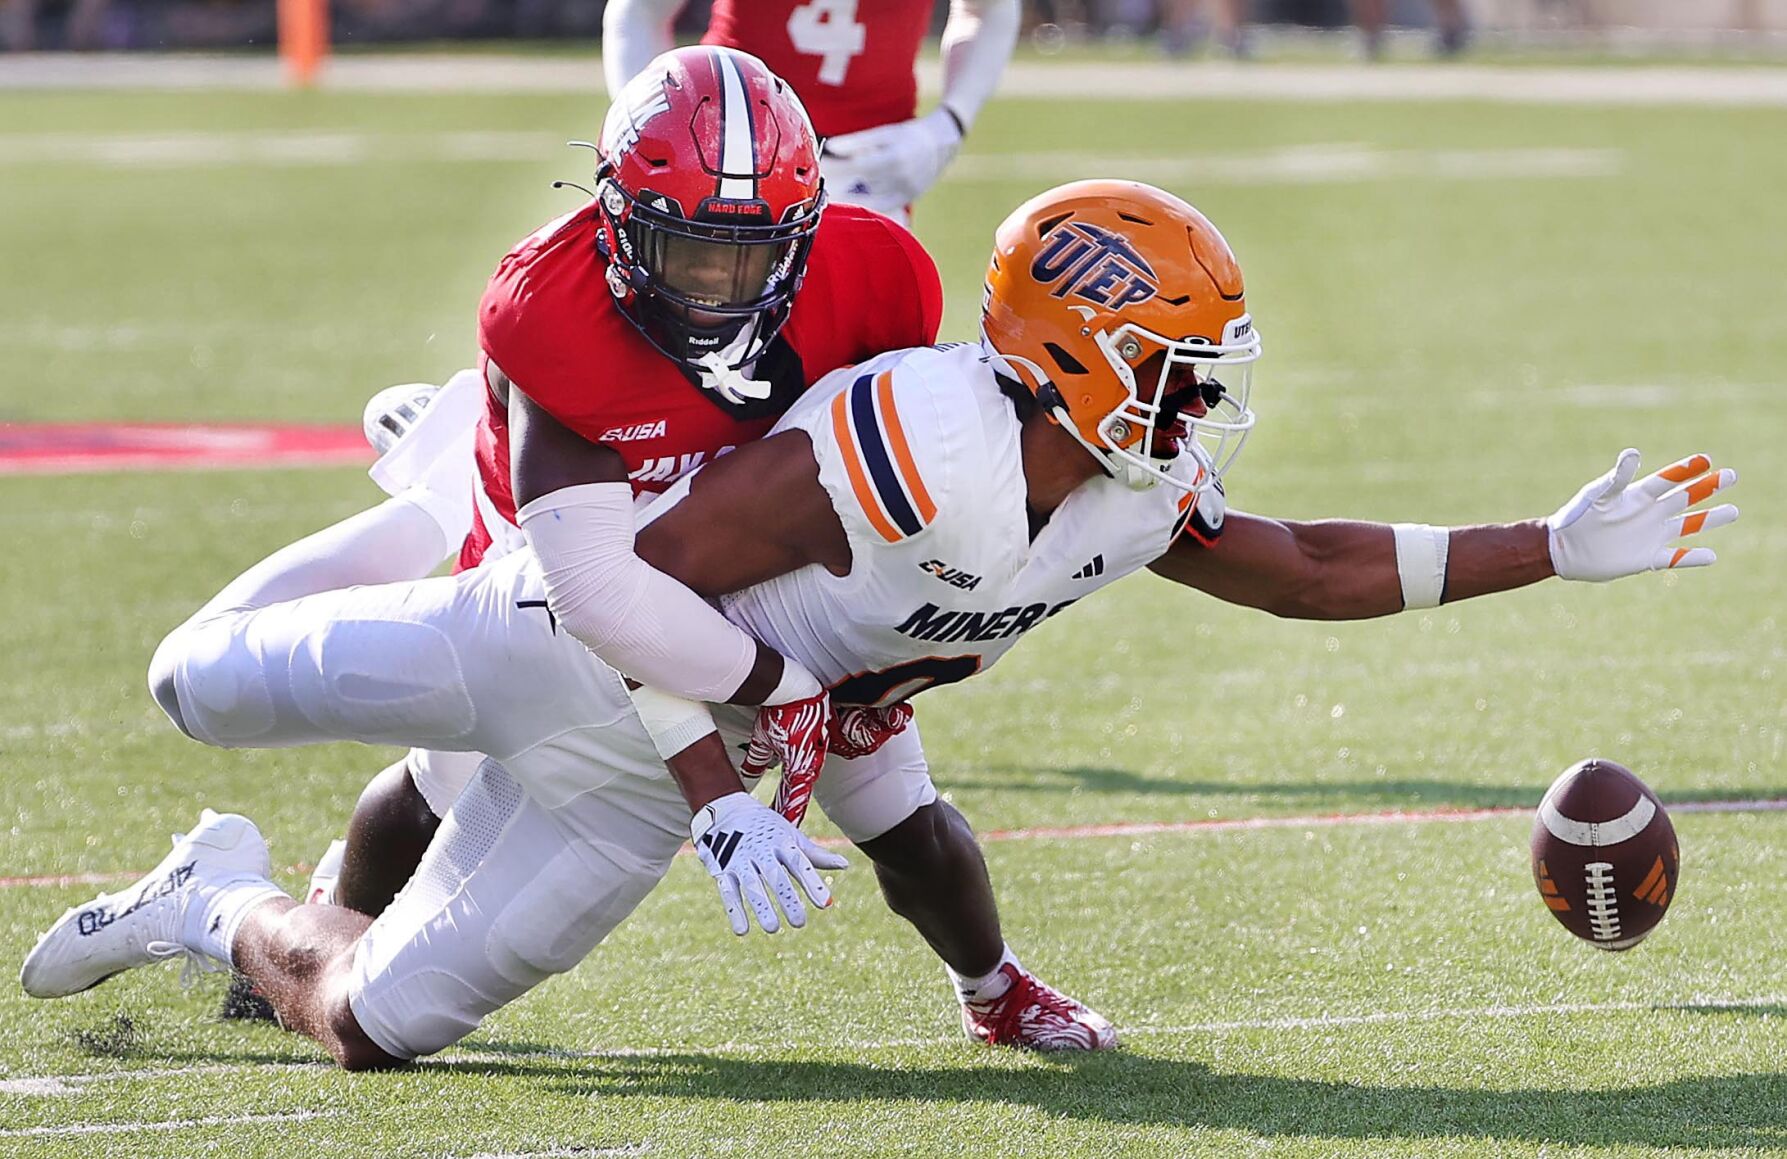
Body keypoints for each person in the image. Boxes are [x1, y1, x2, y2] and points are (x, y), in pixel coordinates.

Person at [22, 181, 1738, 1069]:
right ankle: (438, 477)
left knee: (372, 1032)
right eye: (1178, 357)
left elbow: (1297, 565)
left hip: (710, 742)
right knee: (197, 680)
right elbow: (647, 576)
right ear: (1072, 347)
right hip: (566, 629)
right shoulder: (921, 435)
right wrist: (717, 763)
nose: (1205, 392)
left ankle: (210, 897)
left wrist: (1549, 549)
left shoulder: (1127, 486)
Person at [148, 43, 941, 1018]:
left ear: (804, 236)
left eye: (750, 254)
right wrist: (737, 751)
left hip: (715, 504)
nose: (715, 289)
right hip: (558, 519)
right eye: (685, 250)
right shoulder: (549, 311)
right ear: (614, 220)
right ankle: (433, 503)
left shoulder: (879, 274)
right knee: (451, 760)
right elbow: (601, 596)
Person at [603, 0, 1020, 224]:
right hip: (729, 149)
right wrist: (647, 133)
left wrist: (949, 124)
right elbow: (640, 10)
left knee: (866, 358)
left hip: (873, 163)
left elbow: (989, 9)